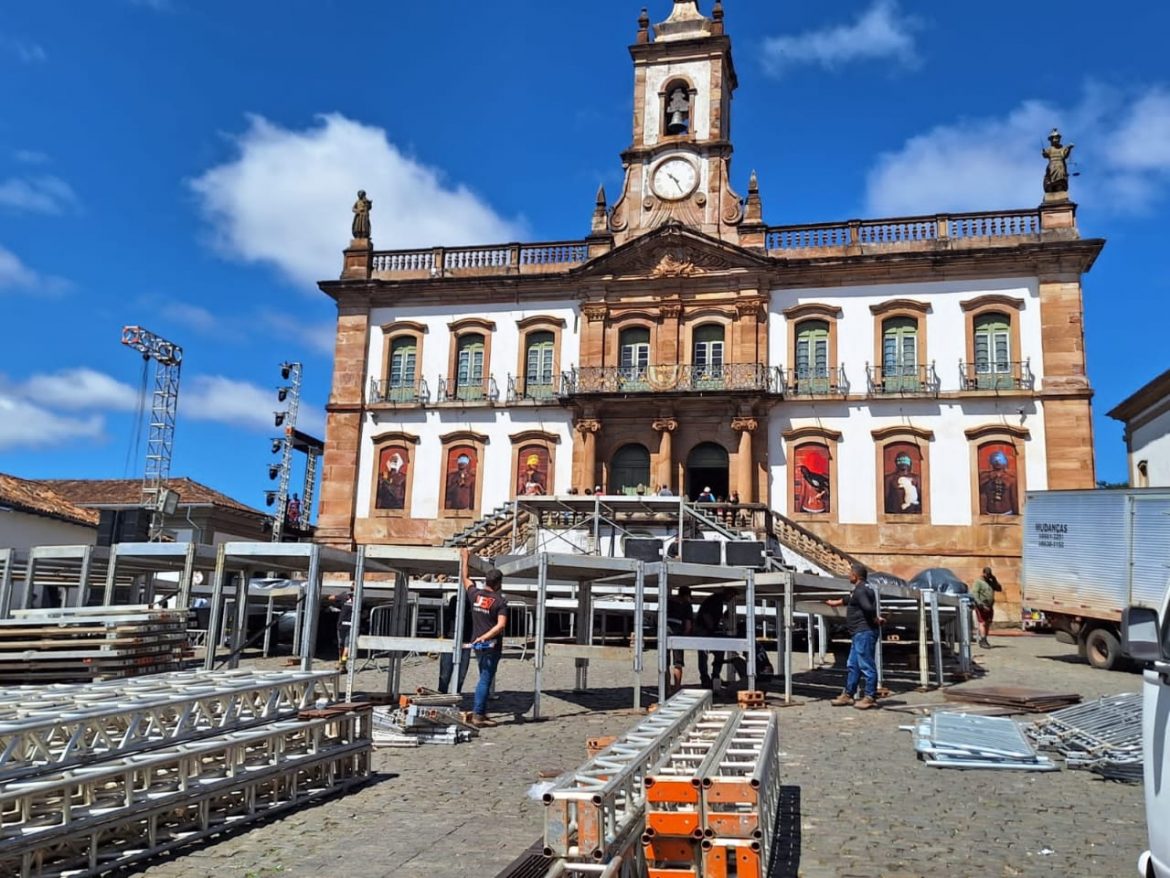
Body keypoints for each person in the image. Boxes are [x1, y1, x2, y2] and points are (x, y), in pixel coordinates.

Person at [461, 548, 509, 728]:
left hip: (477, 643)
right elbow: (501, 625)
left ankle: (481, 711)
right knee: (485, 679)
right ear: (499, 583)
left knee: (483, 675)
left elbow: (465, 579)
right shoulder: (500, 601)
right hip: (490, 645)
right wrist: (485, 637)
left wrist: (464, 559)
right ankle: (479, 714)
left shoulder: (475, 595)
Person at [826, 563, 884, 710]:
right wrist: (836, 603)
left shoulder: (861, 590)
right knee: (853, 665)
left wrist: (875, 619)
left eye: (850, 573)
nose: (848, 575)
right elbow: (851, 599)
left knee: (866, 664)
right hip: (858, 633)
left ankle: (870, 696)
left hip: (864, 632)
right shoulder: (862, 588)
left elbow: (868, 607)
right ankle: (848, 694)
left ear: (855, 575)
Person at [694, 587, 734, 690]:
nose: (732, 598)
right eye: (731, 595)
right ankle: (709, 678)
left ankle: (713, 677)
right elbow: (706, 614)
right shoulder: (716, 600)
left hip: (707, 630)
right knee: (705, 654)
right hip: (704, 630)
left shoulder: (717, 601)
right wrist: (712, 628)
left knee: (713, 654)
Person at [438, 592, 473, 694]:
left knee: (457, 673)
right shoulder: (456, 600)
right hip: (451, 639)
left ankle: (453, 693)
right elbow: (448, 618)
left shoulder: (471, 603)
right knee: (447, 673)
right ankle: (444, 693)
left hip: (463, 640)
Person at [665, 585, 693, 692]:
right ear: (686, 595)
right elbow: (688, 624)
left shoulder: (667, 602)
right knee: (678, 663)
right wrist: (685, 636)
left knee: (665, 663)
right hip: (678, 633)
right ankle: (677, 688)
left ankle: (666, 688)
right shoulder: (686, 605)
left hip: (665, 631)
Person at [970, 566, 1000, 649]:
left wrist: (994, 580)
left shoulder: (990, 582)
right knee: (982, 622)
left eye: (989, 574)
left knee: (987, 623)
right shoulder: (978, 582)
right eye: (987, 574)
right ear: (983, 573)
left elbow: (999, 588)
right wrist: (980, 604)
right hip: (982, 605)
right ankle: (983, 640)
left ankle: (984, 638)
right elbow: (975, 593)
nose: (988, 576)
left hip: (990, 606)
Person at [336, 588, 355, 672]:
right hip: (345, 625)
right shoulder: (355, 602)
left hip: (346, 626)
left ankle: (342, 664)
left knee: (344, 646)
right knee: (344, 646)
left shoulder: (345, 598)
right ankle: (342, 663)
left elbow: (331, 597)